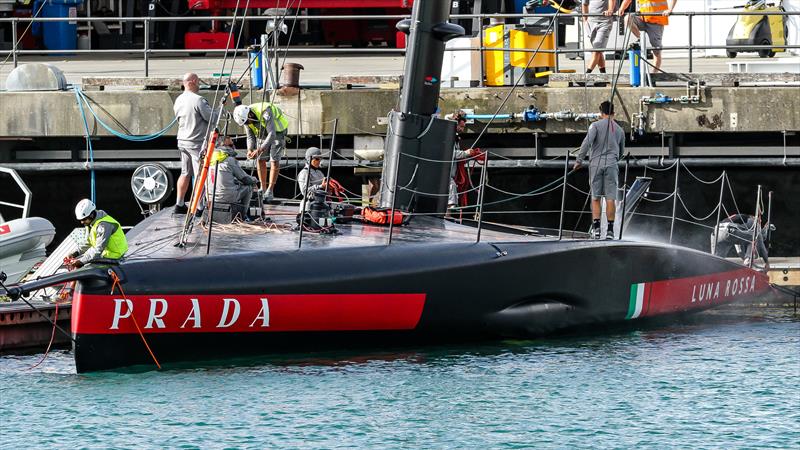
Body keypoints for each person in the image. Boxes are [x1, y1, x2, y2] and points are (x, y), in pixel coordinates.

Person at [574, 101, 626, 239]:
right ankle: (610, 231)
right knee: (611, 198)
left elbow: (586, 143)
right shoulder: (620, 130)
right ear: (613, 113)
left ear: (601, 113)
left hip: (595, 164)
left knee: (595, 197)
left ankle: (596, 230)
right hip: (612, 165)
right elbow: (621, 152)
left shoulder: (595, 126)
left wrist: (579, 160)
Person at [173, 72, 214, 214]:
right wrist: (220, 110)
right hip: (196, 143)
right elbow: (211, 118)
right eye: (198, 81)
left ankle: (179, 204)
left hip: (182, 141)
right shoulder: (199, 100)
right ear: (193, 81)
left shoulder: (178, 100)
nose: (199, 85)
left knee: (185, 172)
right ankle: (199, 207)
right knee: (199, 174)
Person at [233, 102, 289, 203]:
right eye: (245, 123)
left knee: (274, 160)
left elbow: (272, 134)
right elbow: (250, 136)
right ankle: (262, 189)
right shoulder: (245, 119)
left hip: (277, 131)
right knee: (260, 159)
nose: (247, 124)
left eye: (247, 121)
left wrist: (259, 149)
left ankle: (270, 190)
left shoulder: (265, 111)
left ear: (250, 114)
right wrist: (250, 149)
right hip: (263, 132)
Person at [67, 199, 128, 269]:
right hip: (105, 254)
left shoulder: (104, 225)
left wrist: (81, 261)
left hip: (115, 257)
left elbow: (98, 249)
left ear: (91, 215)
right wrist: (75, 253)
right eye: (81, 220)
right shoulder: (91, 224)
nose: (82, 222)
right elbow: (89, 242)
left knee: (85, 272)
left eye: (84, 219)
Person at [206, 136, 259, 217]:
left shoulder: (209, 159)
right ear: (222, 146)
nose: (233, 147)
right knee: (249, 187)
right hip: (225, 197)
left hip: (210, 197)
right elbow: (245, 179)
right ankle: (243, 216)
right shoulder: (230, 160)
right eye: (231, 145)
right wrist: (255, 179)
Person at [618, 0, 677, 72]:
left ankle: (653, 75)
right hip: (642, 19)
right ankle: (641, 39)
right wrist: (621, 9)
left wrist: (670, 9)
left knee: (656, 51)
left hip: (656, 21)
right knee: (627, 18)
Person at [582, 0, 617, 73]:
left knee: (596, 50)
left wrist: (610, 9)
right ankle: (603, 77)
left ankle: (586, 76)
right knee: (598, 51)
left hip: (604, 22)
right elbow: (585, 4)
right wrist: (585, 20)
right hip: (590, 22)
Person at [450, 115, 477, 209]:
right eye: (460, 126)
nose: (462, 129)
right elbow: (451, 154)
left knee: (451, 186)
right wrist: (466, 153)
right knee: (450, 186)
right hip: (446, 174)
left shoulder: (454, 138)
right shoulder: (448, 137)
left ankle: (447, 214)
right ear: (454, 125)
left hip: (451, 174)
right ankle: (447, 214)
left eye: (463, 127)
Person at [296, 147, 328, 212]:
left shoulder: (320, 173)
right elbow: (304, 191)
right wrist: (321, 186)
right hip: (309, 206)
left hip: (321, 204)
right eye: (317, 159)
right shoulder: (304, 173)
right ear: (309, 159)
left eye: (320, 159)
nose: (319, 161)